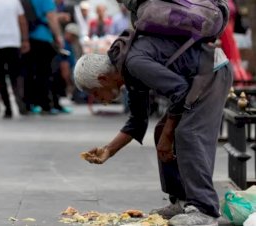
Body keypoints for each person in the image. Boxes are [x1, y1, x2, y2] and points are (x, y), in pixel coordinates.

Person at [73, 33, 233, 225]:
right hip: (195, 79)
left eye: (97, 93)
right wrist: (108, 150)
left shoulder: (134, 63)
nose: (101, 100)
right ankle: (181, 201)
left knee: (188, 133)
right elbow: (138, 120)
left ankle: (205, 210)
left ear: (103, 78)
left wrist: (168, 136)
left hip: (211, 71)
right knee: (162, 130)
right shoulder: (126, 70)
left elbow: (180, 91)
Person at [0, 0, 29, 118]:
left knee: (0, 77)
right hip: (13, 42)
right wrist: (25, 39)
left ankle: (7, 107)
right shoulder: (14, 2)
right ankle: (20, 102)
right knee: (16, 75)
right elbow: (22, 20)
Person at [23, 0, 63, 114]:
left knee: (30, 73)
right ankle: (45, 104)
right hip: (43, 37)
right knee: (45, 73)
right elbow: (51, 17)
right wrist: (58, 36)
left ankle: (29, 104)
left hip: (29, 37)